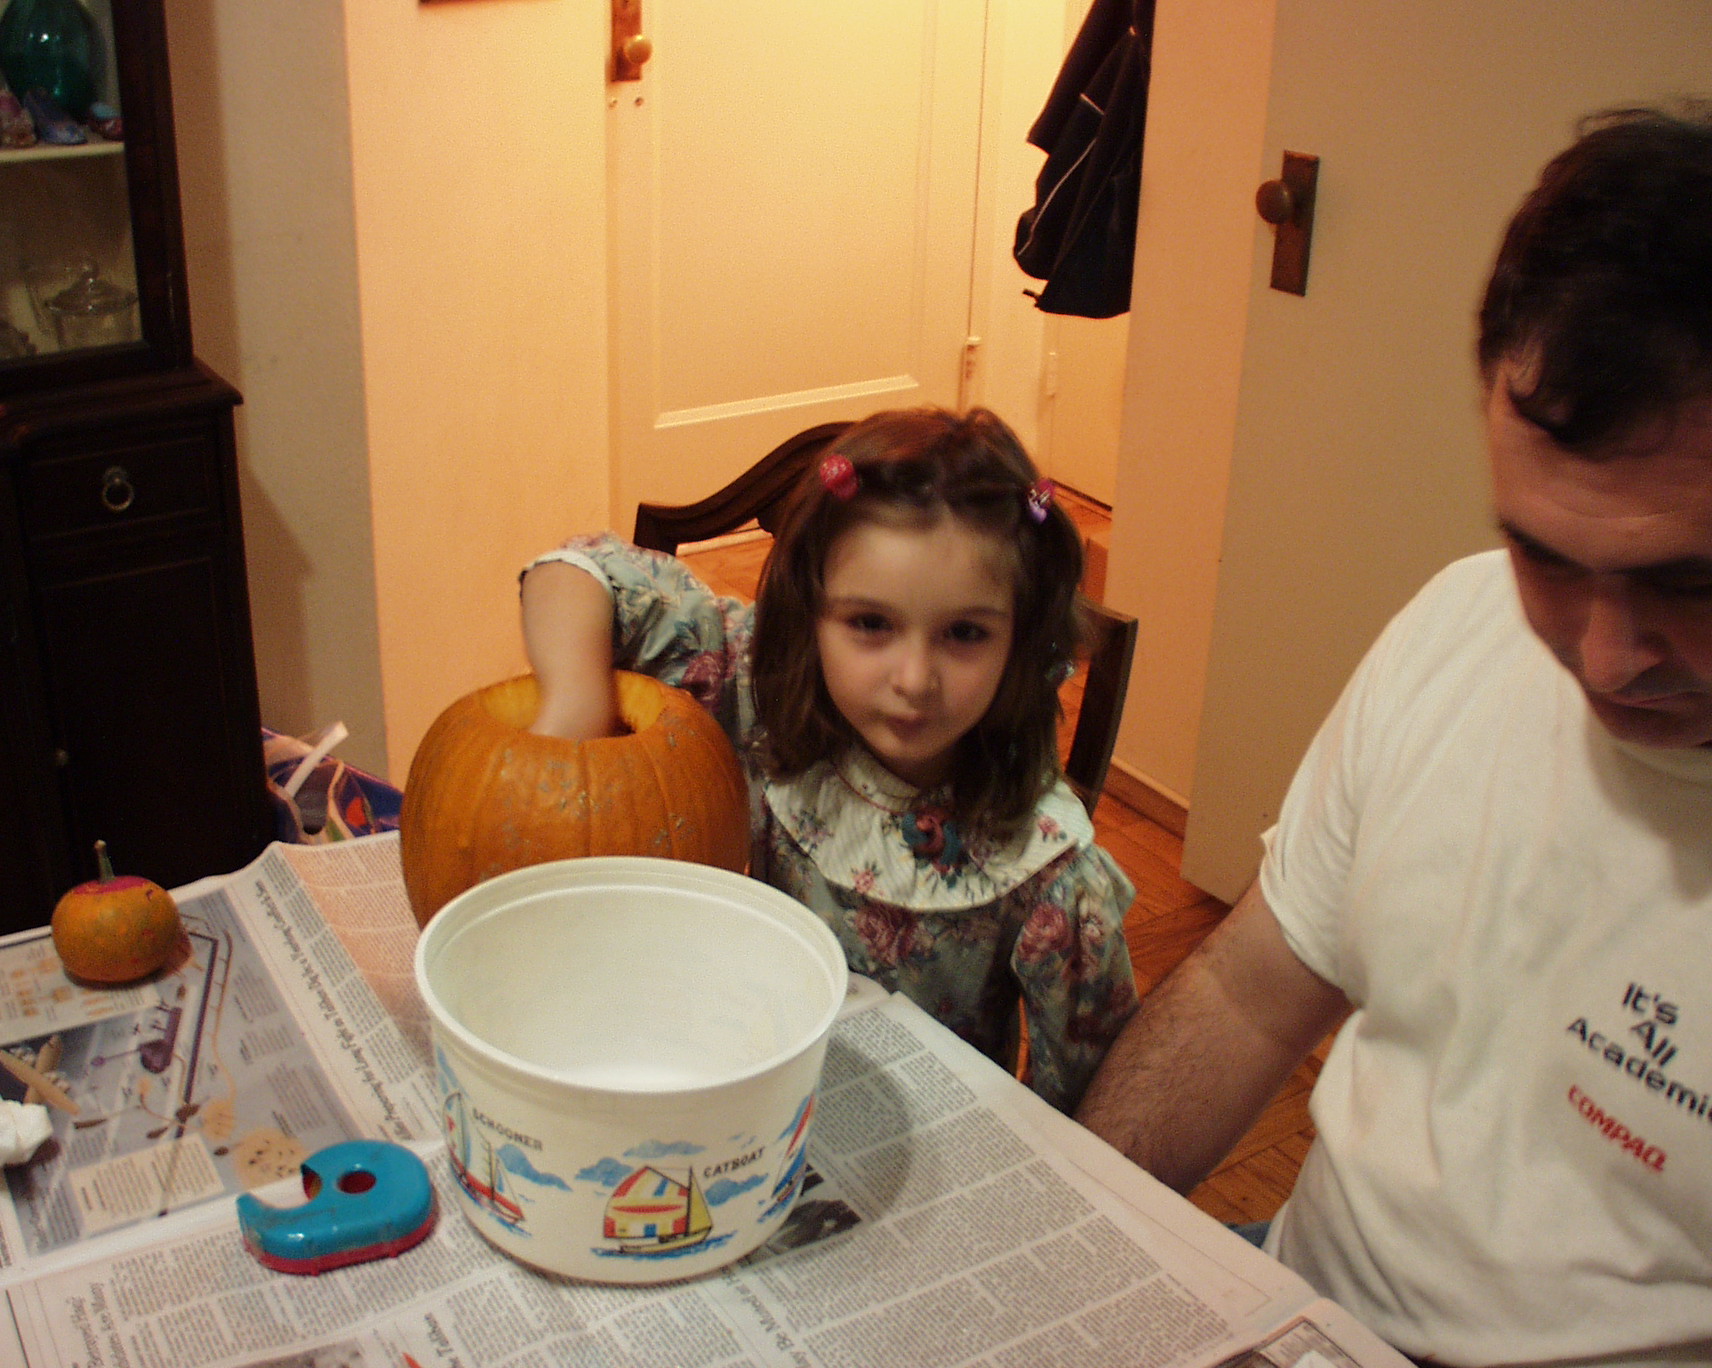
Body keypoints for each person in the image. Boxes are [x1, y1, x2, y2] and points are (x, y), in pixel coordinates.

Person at [1076, 106, 1712, 1365]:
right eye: (1543, 556)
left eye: (1687, 584)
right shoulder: (1458, 622)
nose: (1600, 657)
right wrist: (1067, 1240)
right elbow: (1246, 996)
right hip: (1293, 1297)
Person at [520, 407, 1139, 1112]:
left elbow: (1092, 1115)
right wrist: (572, 707)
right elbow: (581, 568)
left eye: (965, 633)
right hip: (756, 1099)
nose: (914, 680)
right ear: (807, 614)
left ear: (1020, 639)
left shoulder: (1052, 869)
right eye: (870, 623)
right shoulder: (761, 692)